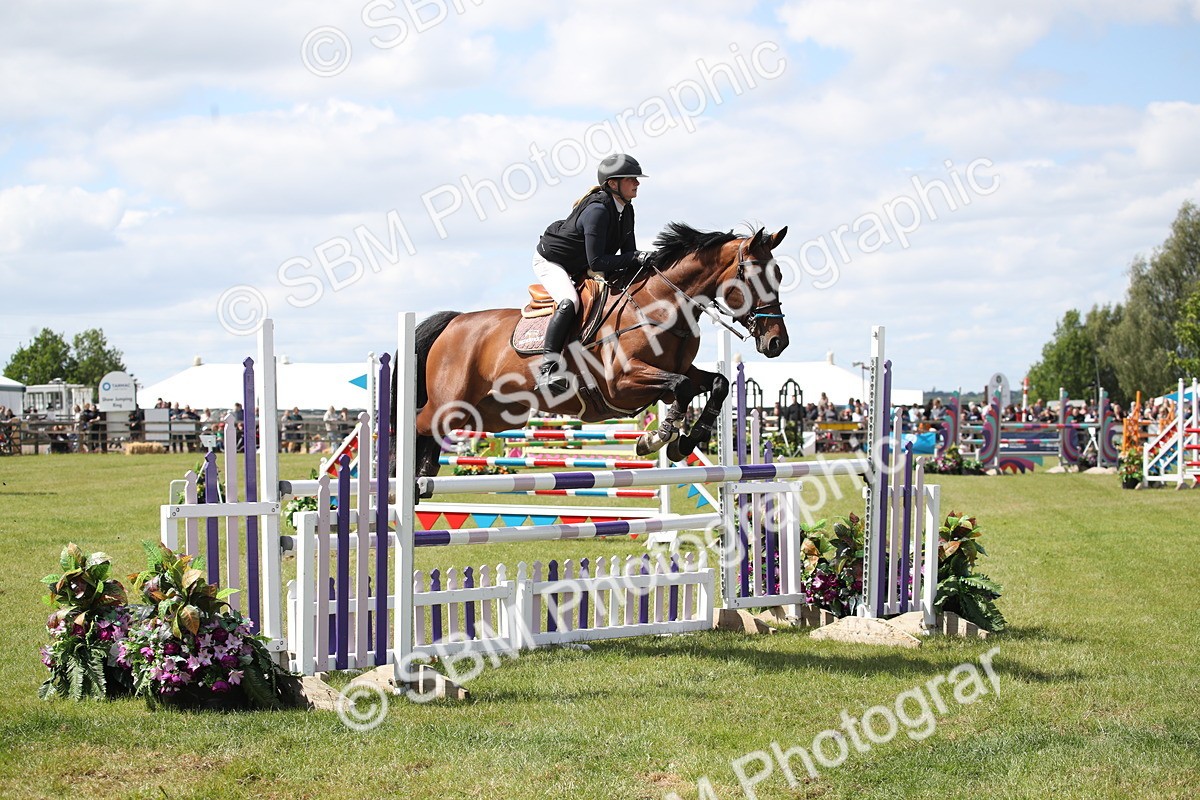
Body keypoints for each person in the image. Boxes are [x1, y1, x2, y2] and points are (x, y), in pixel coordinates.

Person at [532, 153, 655, 395]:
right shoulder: (597, 210)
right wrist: (635, 257)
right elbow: (598, 261)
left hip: (582, 264)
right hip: (553, 261)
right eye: (631, 179)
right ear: (612, 183)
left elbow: (628, 254)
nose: (637, 183)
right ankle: (548, 367)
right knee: (569, 303)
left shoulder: (626, 210)